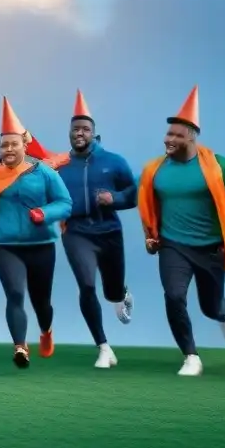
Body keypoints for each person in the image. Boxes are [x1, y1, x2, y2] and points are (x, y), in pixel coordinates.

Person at [137, 86, 225, 376]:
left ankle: (224, 314)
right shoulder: (154, 170)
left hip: (212, 248)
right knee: (173, 296)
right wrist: (149, 234)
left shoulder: (219, 166)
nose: (168, 139)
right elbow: (143, 200)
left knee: (210, 307)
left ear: (192, 136)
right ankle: (190, 356)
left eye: (176, 134)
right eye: (167, 134)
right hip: (173, 246)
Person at [0, 97, 73, 368]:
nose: (8, 148)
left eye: (13, 143)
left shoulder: (44, 173)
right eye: (4, 144)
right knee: (15, 294)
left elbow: (65, 204)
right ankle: (20, 347)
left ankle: (46, 331)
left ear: (25, 145)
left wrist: (45, 214)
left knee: (42, 301)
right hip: (6, 245)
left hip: (41, 244)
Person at [53, 91, 136, 369]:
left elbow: (134, 193)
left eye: (85, 129)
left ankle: (120, 293)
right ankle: (103, 347)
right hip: (76, 233)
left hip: (109, 230)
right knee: (87, 286)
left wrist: (116, 199)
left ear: (94, 134)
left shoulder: (114, 161)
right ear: (69, 133)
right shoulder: (60, 167)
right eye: (75, 128)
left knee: (111, 291)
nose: (80, 133)